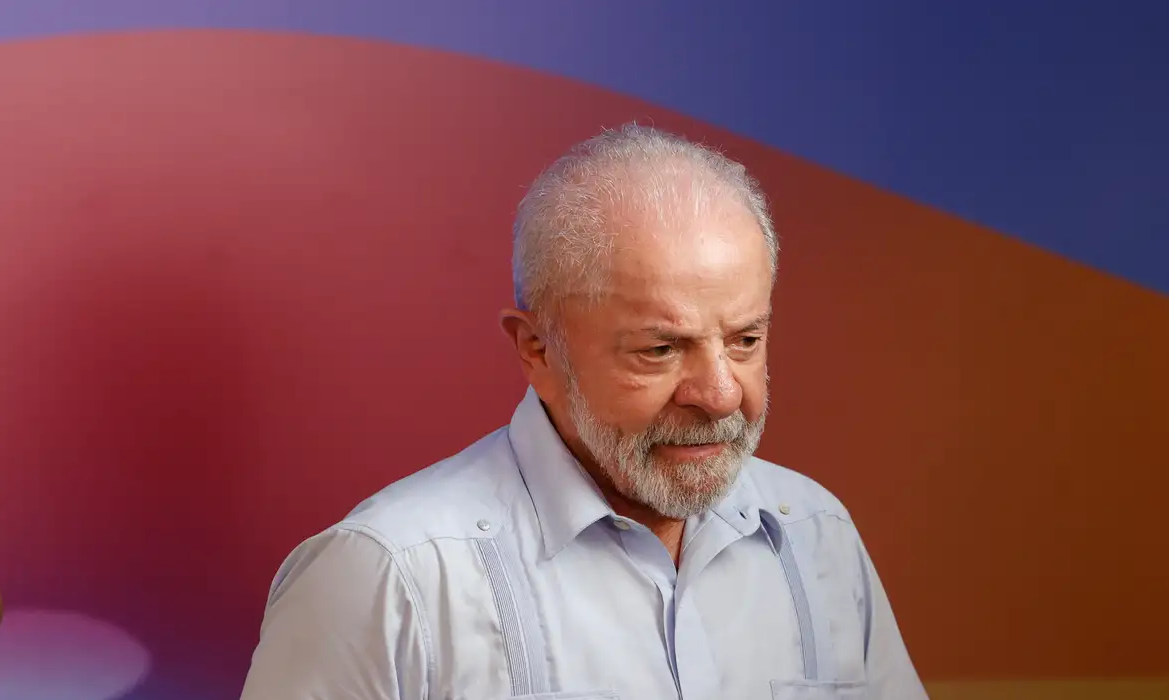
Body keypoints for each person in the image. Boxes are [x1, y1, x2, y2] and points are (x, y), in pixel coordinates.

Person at [239, 125, 928, 699]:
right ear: (538, 350)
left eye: (746, 340)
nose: (721, 394)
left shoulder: (816, 534)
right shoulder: (389, 576)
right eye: (661, 349)